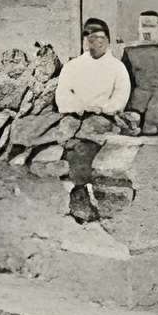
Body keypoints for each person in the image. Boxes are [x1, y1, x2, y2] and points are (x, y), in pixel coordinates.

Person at [55, 18, 132, 223]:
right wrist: (78, 108)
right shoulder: (72, 66)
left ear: (107, 41)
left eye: (100, 38)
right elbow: (63, 94)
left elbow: (120, 96)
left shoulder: (117, 67)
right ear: (84, 41)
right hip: (75, 115)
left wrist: (102, 108)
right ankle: (77, 196)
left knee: (84, 147)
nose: (95, 43)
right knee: (65, 143)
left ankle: (89, 197)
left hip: (103, 117)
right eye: (90, 38)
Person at [123, 9, 158, 135]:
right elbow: (125, 85)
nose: (147, 30)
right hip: (136, 108)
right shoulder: (129, 53)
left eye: (152, 26)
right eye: (144, 26)